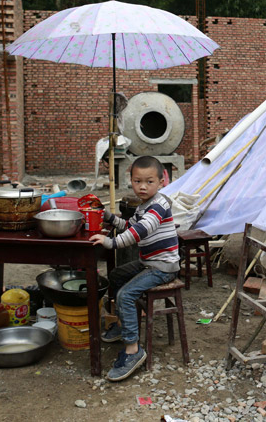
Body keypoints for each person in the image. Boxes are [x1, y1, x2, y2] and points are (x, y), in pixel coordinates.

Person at [88, 155, 180, 382]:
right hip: (149, 261)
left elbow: (138, 232)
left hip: (163, 267)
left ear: (161, 182)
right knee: (116, 275)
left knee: (125, 294)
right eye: (138, 181)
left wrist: (111, 242)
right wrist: (108, 217)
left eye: (149, 181)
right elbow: (129, 225)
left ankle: (133, 350)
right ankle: (123, 325)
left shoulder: (159, 205)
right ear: (131, 181)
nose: (143, 186)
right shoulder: (143, 206)